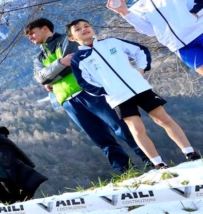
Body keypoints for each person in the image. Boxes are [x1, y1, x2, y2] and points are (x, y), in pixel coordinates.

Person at [68, 19, 199, 169]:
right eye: (78, 29)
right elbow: (85, 82)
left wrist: (141, 69)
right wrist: (108, 91)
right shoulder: (78, 59)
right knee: (137, 129)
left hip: (140, 88)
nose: (84, 29)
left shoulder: (112, 42)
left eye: (86, 26)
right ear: (72, 38)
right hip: (119, 98)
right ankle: (158, 164)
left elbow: (140, 50)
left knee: (163, 119)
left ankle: (190, 152)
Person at [24, 17, 147, 173]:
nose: (30, 38)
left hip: (89, 91)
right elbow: (41, 78)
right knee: (101, 138)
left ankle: (149, 159)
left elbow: (74, 63)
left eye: (32, 33)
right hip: (68, 101)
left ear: (45, 29)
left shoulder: (68, 40)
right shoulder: (38, 58)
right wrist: (61, 63)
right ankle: (126, 170)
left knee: (121, 127)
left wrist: (52, 77)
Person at [102, 0, 203, 75]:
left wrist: (196, 12)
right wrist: (124, 12)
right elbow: (150, 31)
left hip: (199, 30)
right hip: (180, 46)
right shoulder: (132, 3)